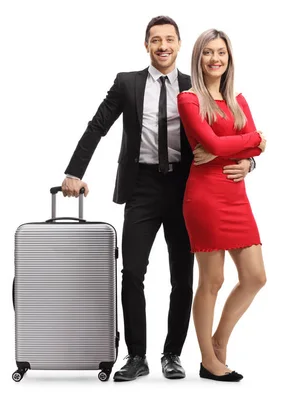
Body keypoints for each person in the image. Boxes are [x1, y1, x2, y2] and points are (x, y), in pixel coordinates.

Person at [61, 17, 256, 381]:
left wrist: (249, 162)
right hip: (142, 187)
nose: (162, 45)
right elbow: (97, 126)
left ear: (180, 45)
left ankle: (172, 354)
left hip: (188, 188)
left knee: (182, 277)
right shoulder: (127, 83)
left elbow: (228, 132)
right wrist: (75, 172)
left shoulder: (192, 87)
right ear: (146, 46)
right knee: (132, 271)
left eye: (169, 39)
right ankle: (136, 356)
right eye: (155, 40)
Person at [176, 29, 267, 382]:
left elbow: (237, 149)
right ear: (198, 58)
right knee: (212, 280)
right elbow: (215, 141)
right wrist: (254, 140)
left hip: (236, 196)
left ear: (229, 59)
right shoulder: (189, 99)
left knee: (256, 277)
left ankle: (219, 341)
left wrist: (247, 155)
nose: (215, 59)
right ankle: (208, 361)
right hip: (205, 197)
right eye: (208, 53)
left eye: (222, 53)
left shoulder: (237, 100)